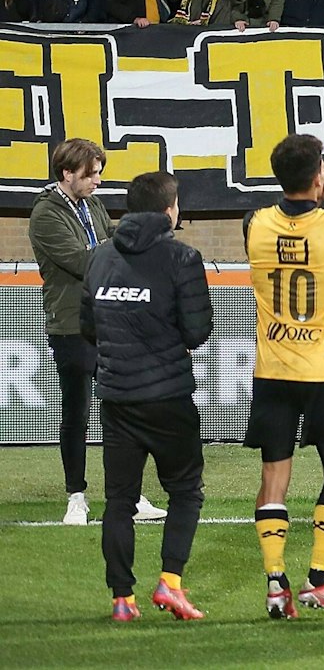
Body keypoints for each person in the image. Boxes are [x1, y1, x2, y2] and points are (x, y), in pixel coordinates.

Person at [243, 133, 324, 617]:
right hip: (320, 370)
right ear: (319, 176)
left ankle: (275, 582)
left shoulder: (254, 223)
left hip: (271, 371)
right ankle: (319, 579)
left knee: (273, 475)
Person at [81, 171, 211, 623]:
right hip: (168, 397)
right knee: (186, 492)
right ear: (169, 209)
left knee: (119, 501)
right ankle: (170, 584)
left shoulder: (100, 256)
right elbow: (197, 331)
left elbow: (88, 327)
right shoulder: (182, 257)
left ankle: (122, 599)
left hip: (117, 398)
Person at [30, 139, 164, 527]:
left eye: (99, 173)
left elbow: (108, 241)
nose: (98, 181)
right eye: (91, 174)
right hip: (73, 324)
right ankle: (76, 497)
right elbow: (83, 260)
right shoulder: (46, 214)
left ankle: (129, 495)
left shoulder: (93, 205)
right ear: (67, 173)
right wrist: (122, 244)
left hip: (113, 320)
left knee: (123, 410)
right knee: (77, 412)